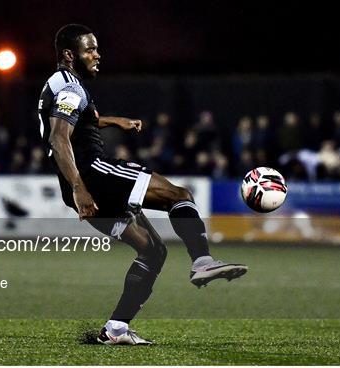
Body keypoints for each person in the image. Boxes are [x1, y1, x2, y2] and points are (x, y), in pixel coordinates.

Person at [38, 24, 247, 345]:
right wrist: (81, 186)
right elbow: (58, 136)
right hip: (93, 175)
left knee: (152, 251)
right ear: (69, 54)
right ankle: (202, 261)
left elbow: (78, 119)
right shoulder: (70, 87)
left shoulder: (64, 85)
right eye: (89, 49)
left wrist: (113, 121)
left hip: (79, 186)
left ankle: (116, 329)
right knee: (178, 195)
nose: (97, 54)